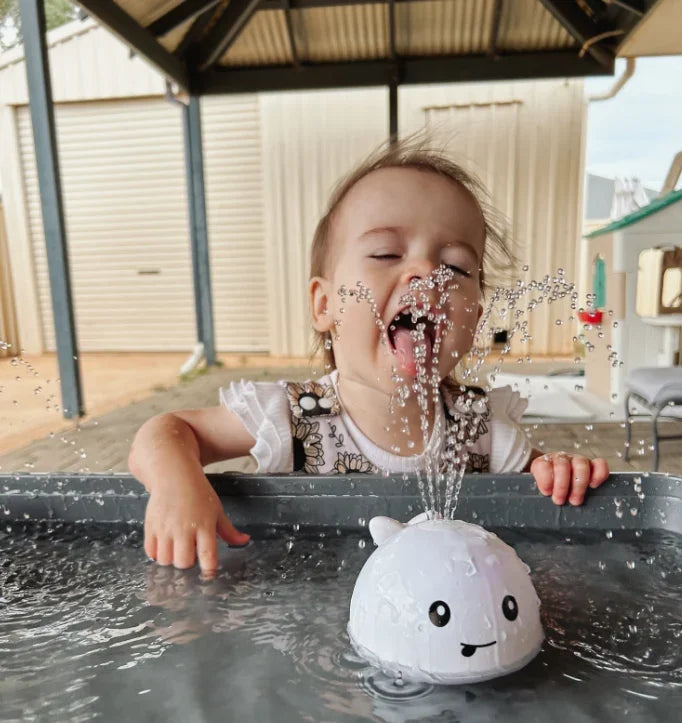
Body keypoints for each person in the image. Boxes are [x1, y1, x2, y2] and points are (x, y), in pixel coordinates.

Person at [129, 141, 610, 574]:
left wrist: (563, 471)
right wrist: (178, 484)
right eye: (385, 254)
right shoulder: (289, 419)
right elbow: (166, 431)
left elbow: (550, 488)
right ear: (325, 305)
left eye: (456, 266)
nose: (426, 273)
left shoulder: (483, 431)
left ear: (475, 318)